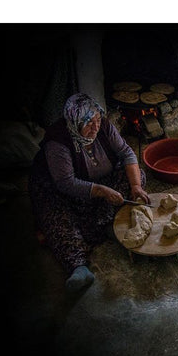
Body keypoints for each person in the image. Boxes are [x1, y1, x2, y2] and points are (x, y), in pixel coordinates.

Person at [28, 93, 150, 293]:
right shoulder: (57, 142)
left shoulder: (104, 127)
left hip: (100, 185)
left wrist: (136, 186)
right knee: (53, 213)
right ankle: (79, 267)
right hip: (66, 193)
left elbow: (127, 153)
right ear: (74, 124)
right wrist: (101, 191)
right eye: (88, 123)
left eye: (97, 119)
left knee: (137, 177)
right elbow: (65, 182)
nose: (95, 126)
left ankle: (108, 224)